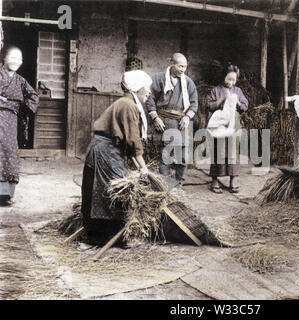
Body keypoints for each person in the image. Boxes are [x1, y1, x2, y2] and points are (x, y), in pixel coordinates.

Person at [81, 70, 151, 243]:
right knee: (112, 192)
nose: (148, 92)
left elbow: (128, 144)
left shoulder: (125, 103)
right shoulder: (128, 105)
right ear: (136, 89)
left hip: (105, 149)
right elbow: (133, 141)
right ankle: (105, 237)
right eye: (146, 88)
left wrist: (139, 166)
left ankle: (105, 235)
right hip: (105, 152)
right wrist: (144, 168)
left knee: (106, 191)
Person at [146, 53, 198, 188]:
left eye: (185, 67)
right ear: (172, 64)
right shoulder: (158, 78)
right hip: (163, 121)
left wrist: (187, 117)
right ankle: (164, 185)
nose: (183, 69)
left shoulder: (188, 82)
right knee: (165, 155)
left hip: (180, 123)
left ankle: (179, 184)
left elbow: (194, 103)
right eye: (180, 66)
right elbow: (150, 98)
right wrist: (155, 117)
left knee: (183, 157)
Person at [0, 46, 38, 206]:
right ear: (3, 58)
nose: (16, 62)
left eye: (19, 59)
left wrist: (22, 109)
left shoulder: (20, 80)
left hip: (11, 120)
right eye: (12, 57)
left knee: (9, 152)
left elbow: (33, 96)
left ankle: (5, 194)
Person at [206, 64, 248, 193]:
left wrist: (238, 103)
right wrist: (221, 100)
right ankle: (214, 180)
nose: (231, 82)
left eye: (234, 80)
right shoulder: (216, 90)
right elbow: (209, 105)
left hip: (233, 125)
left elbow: (245, 106)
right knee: (218, 151)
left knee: (233, 151)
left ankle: (233, 180)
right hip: (220, 124)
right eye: (229, 79)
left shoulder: (238, 91)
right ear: (223, 77)